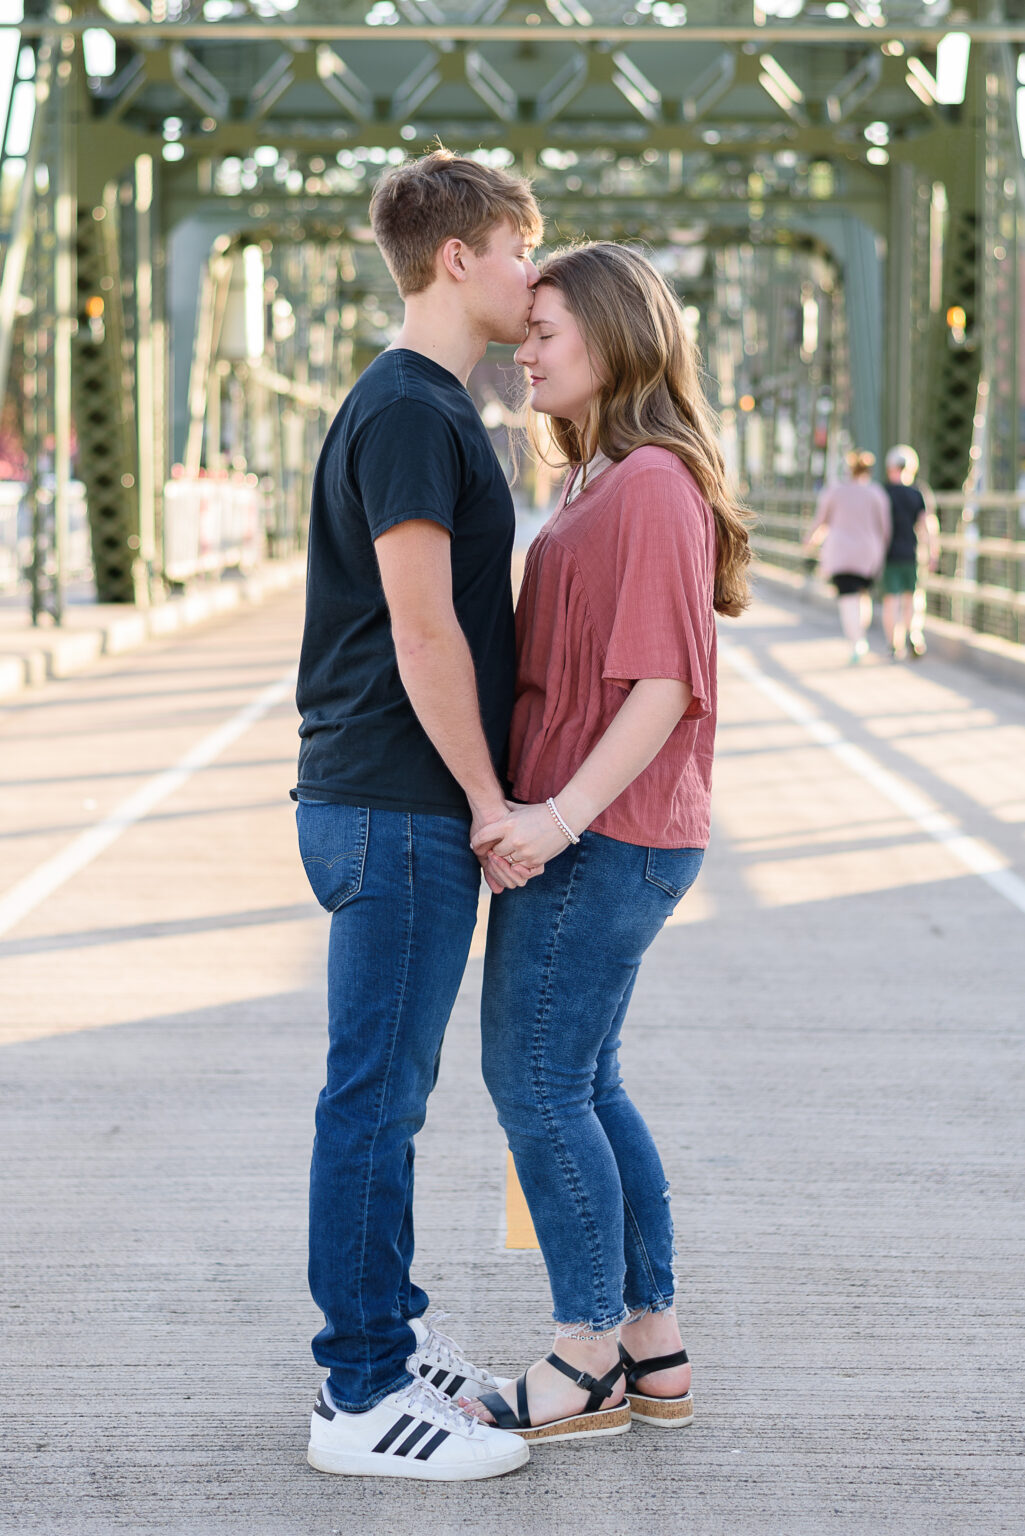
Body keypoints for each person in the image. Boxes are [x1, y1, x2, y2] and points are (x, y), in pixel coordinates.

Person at [462, 242, 752, 1442]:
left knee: (532, 1083)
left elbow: (658, 686)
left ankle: (582, 1353)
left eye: (544, 332)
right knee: (585, 1079)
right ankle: (650, 1341)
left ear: (617, 335)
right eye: (522, 331)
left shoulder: (645, 486)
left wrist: (551, 818)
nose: (521, 352)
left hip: (602, 837)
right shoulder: (604, 478)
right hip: (610, 835)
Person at [292, 148, 545, 1481]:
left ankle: (385, 1337)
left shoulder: (422, 405)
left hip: (389, 802)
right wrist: (492, 798)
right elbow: (422, 625)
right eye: (520, 249)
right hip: (396, 806)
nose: (533, 275)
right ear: (459, 258)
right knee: (374, 1103)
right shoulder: (410, 413)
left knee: (385, 1097)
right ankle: (360, 1396)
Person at [803, 450, 891, 664]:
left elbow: (820, 522)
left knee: (847, 600)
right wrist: (882, 552)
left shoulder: (834, 491)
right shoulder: (876, 493)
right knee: (863, 596)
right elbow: (885, 528)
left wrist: (809, 541)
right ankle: (860, 635)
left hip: (840, 553)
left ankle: (857, 642)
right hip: (868, 555)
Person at [880, 444, 940, 660]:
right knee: (912, 597)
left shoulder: (883, 493)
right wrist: (933, 552)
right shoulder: (917, 493)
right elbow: (927, 525)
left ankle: (892, 644)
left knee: (891, 600)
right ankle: (913, 635)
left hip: (889, 555)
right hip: (912, 554)